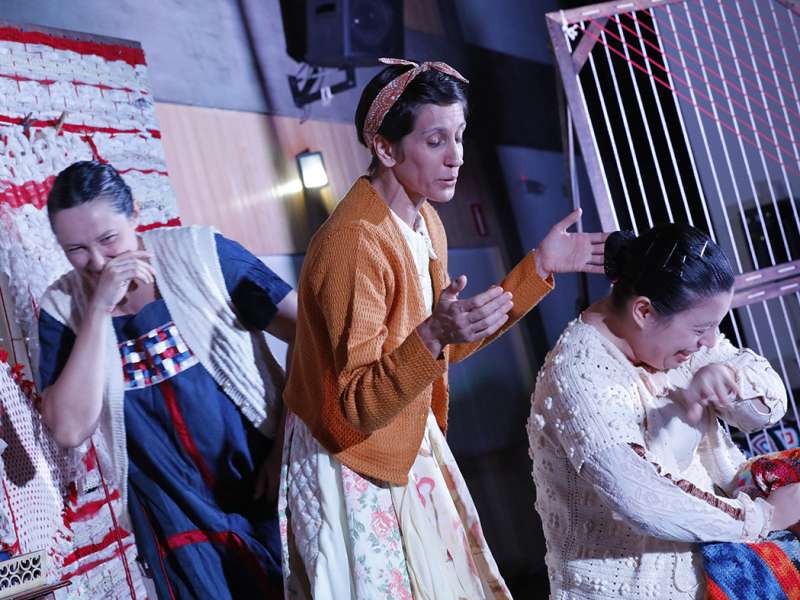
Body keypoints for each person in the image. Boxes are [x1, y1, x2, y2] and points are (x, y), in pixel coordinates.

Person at [279, 58, 608, 599]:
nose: (456, 157)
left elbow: (442, 346)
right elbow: (357, 404)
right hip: (352, 457)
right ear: (386, 148)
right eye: (436, 141)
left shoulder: (423, 218)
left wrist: (539, 270)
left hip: (403, 436)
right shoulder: (356, 243)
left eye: (458, 136)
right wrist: (433, 335)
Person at [37, 161, 296, 598]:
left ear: (135, 213)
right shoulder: (63, 307)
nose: (97, 262)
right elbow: (67, 428)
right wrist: (99, 309)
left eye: (108, 239)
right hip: (171, 507)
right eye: (76, 250)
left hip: (258, 474)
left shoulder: (201, 254)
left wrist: (287, 441)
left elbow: (311, 333)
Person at [528, 223, 799, 599]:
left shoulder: (684, 342)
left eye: (714, 329)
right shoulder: (578, 370)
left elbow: (768, 409)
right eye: (700, 329)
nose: (708, 341)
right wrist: (762, 517)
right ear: (644, 311)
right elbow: (641, 497)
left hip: (709, 579)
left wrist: (727, 379)